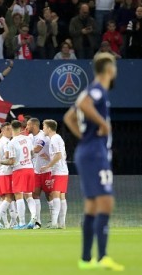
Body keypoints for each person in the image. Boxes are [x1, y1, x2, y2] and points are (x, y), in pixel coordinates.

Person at [64, 53, 124, 271]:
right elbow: (83, 103)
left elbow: (69, 117)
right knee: (106, 201)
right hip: (95, 153)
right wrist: (103, 124)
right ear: (109, 69)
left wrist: (84, 137)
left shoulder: (95, 90)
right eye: (114, 67)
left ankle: (86, 259)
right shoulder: (97, 88)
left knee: (91, 205)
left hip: (88, 150)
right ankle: (103, 256)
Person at [1, 120, 36, 230]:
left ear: (11, 129)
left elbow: (11, 161)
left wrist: (0, 161)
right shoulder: (27, 139)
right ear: (21, 128)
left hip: (19, 170)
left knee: (18, 195)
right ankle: (34, 217)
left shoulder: (12, 142)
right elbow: (32, 154)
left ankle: (21, 222)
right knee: (29, 195)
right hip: (30, 168)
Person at [40, 119, 68, 229]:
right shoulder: (56, 138)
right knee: (61, 196)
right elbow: (58, 155)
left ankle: (55, 223)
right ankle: (61, 223)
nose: (43, 129)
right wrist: (49, 158)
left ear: (49, 128)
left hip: (59, 171)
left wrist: (48, 166)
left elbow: (59, 155)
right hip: (61, 170)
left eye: (44, 126)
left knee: (56, 195)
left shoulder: (55, 139)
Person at [0, 122, 17, 229]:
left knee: (4, 198)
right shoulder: (6, 142)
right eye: (9, 129)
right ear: (4, 130)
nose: (11, 131)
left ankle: (6, 223)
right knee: (9, 197)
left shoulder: (0, 141)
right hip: (6, 172)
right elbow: (7, 156)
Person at [27, 118, 51, 229]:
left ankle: (54, 221)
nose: (27, 127)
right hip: (35, 171)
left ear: (34, 126)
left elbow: (37, 149)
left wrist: (24, 152)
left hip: (47, 170)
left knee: (50, 195)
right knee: (34, 194)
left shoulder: (42, 136)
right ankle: (38, 222)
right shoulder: (30, 137)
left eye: (28, 125)